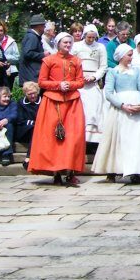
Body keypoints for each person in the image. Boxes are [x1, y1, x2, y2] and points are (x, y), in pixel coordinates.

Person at [28, 32, 86, 187]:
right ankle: (56, 172)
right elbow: (41, 82)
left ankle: (71, 171)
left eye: (69, 43)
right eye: (65, 42)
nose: (67, 45)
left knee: (73, 137)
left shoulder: (76, 60)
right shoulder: (48, 60)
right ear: (58, 43)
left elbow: (80, 81)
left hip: (72, 102)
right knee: (54, 138)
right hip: (53, 102)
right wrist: (58, 85)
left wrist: (70, 85)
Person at [92, 43, 140, 185]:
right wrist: (122, 105)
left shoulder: (136, 71)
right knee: (118, 139)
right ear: (121, 56)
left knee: (136, 140)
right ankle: (114, 170)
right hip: (121, 108)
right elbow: (108, 93)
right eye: (129, 55)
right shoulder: (113, 72)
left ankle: (136, 171)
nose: (131, 58)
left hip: (137, 109)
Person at [71, 24, 107, 144]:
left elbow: (103, 66)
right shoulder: (76, 46)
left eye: (93, 37)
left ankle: (92, 141)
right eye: (88, 37)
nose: (91, 40)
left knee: (93, 110)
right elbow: (72, 63)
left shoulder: (100, 47)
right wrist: (79, 76)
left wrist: (94, 77)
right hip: (79, 82)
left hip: (93, 82)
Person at [15, 81, 41, 170]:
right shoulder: (21, 103)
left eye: (34, 93)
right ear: (25, 94)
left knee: (36, 130)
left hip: (39, 130)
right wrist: (34, 123)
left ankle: (29, 158)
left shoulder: (43, 101)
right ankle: (29, 157)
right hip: (25, 131)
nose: (32, 96)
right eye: (30, 94)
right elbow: (20, 120)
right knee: (34, 129)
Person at [19, 14, 46, 86]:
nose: (44, 28)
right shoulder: (32, 37)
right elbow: (28, 53)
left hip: (30, 75)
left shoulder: (32, 36)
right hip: (31, 76)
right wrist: (43, 55)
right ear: (39, 26)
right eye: (43, 26)